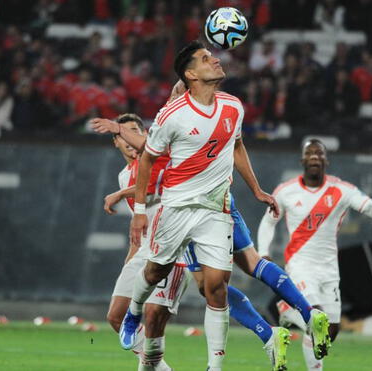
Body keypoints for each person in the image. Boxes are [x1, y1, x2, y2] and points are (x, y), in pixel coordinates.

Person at [119, 40, 279, 371]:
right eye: (206, 59)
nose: (216, 60)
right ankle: (134, 312)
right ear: (191, 74)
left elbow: (237, 146)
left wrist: (257, 189)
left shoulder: (233, 106)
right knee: (154, 270)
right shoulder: (172, 116)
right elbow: (148, 158)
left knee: (217, 284)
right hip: (176, 207)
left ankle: (214, 367)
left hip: (214, 209)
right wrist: (137, 212)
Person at [257, 139, 372, 370]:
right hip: (300, 265)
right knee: (317, 319)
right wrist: (264, 253)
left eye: (319, 154)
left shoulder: (342, 190)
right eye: (309, 153)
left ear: (326, 160)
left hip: (329, 269)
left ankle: (288, 311)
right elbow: (268, 222)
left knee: (330, 331)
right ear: (302, 160)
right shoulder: (286, 191)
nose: (314, 157)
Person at [106, 113, 189, 371]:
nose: (129, 139)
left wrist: (120, 194)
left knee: (153, 319)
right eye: (122, 134)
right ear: (116, 142)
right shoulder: (123, 175)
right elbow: (137, 225)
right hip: (143, 250)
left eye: (134, 131)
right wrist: (129, 260)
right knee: (116, 316)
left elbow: (155, 186)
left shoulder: (158, 158)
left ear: (145, 135)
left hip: (171, 250)